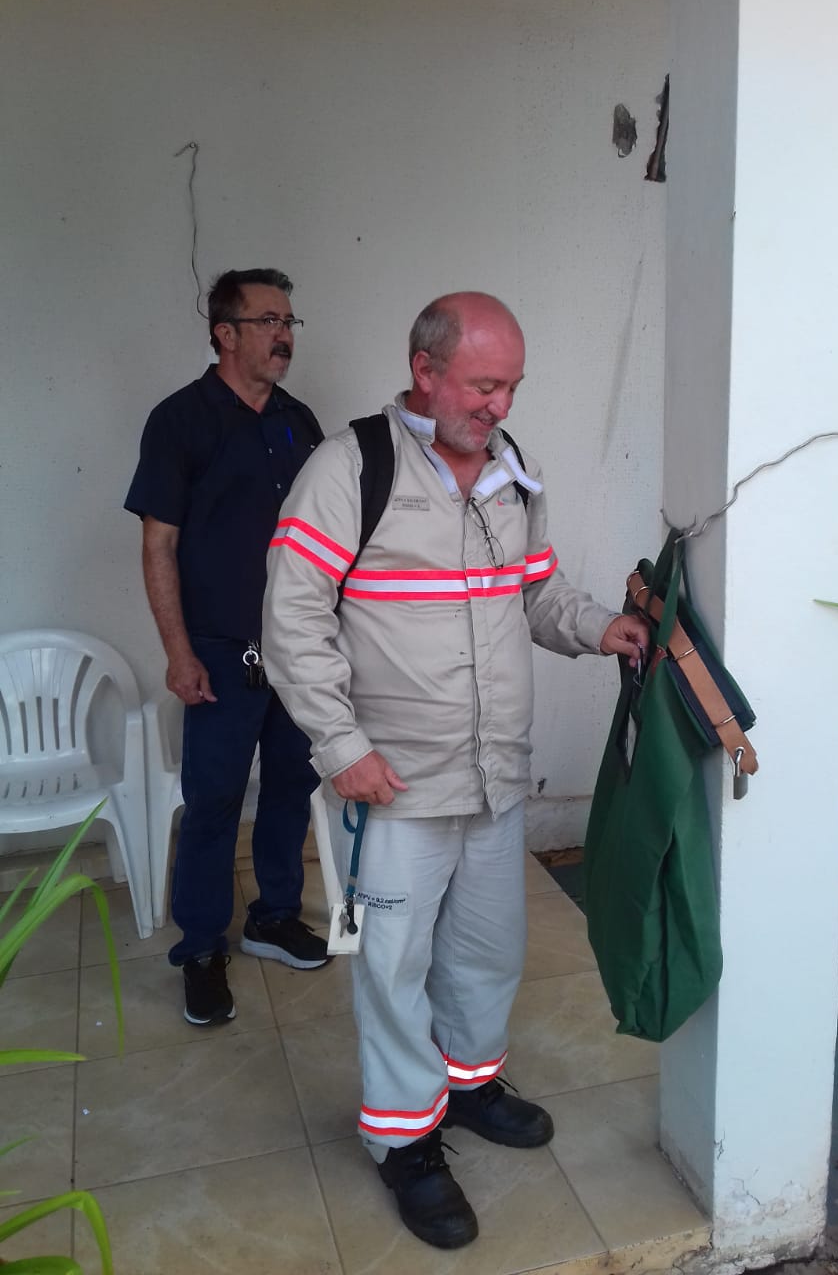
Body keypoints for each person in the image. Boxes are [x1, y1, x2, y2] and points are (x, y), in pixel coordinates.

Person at [262, 291, 649, 1249]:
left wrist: (600, 627)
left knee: (488, 947)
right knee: (393, 965)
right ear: (424, 370)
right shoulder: (351, 468)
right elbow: (293, 618)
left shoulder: (514, 473)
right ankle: (404, 1140)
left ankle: (468, 1085)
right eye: (483, 385)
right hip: (392, 783)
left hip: (493, 773)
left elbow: (538, 592)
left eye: (511, 385)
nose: (499, 405)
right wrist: (342, 748)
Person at [125, 267, 332, 1027]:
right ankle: (202, 946)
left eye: (289, 322)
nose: (284, 335)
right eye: (268, 320)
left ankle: (273, 917)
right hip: (217, 651)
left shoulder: (298, 421)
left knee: (290, 787)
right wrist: (178, 653)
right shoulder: (180, 420)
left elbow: (327, 537)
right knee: (213, 802)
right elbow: (158, 544)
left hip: (298, 648)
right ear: (225, 333)